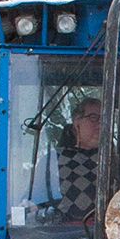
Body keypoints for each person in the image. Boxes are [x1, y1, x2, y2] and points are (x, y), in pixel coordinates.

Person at [26, 92, 104, 222]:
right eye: (93, 118)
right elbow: (36, 204)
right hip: (60, 232)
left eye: (104, 119)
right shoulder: (51, 161)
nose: (100, 124)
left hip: (106, 233)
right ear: (77, 122)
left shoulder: (115, 161)